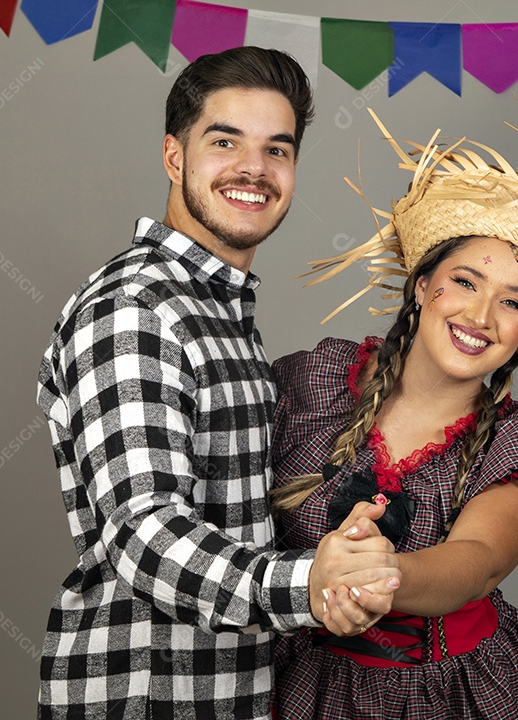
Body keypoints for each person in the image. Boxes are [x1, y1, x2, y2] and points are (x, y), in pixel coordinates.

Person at [267, 110, 518, 718]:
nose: (481, 316)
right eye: (464, 281)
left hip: (448, 694)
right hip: (298, 683)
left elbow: (478, 564)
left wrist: (376, 575)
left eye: (512, 302)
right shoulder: (316, 382)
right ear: (421, 284)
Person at [35, 47, 399, 719]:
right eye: (225, 141)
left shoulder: (216, 310)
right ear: (174, 156)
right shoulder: (135, 310)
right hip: (145, 696)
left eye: (277, 150)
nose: (254, 170)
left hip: (227, 690)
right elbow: (144, 532)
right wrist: (310, 581)